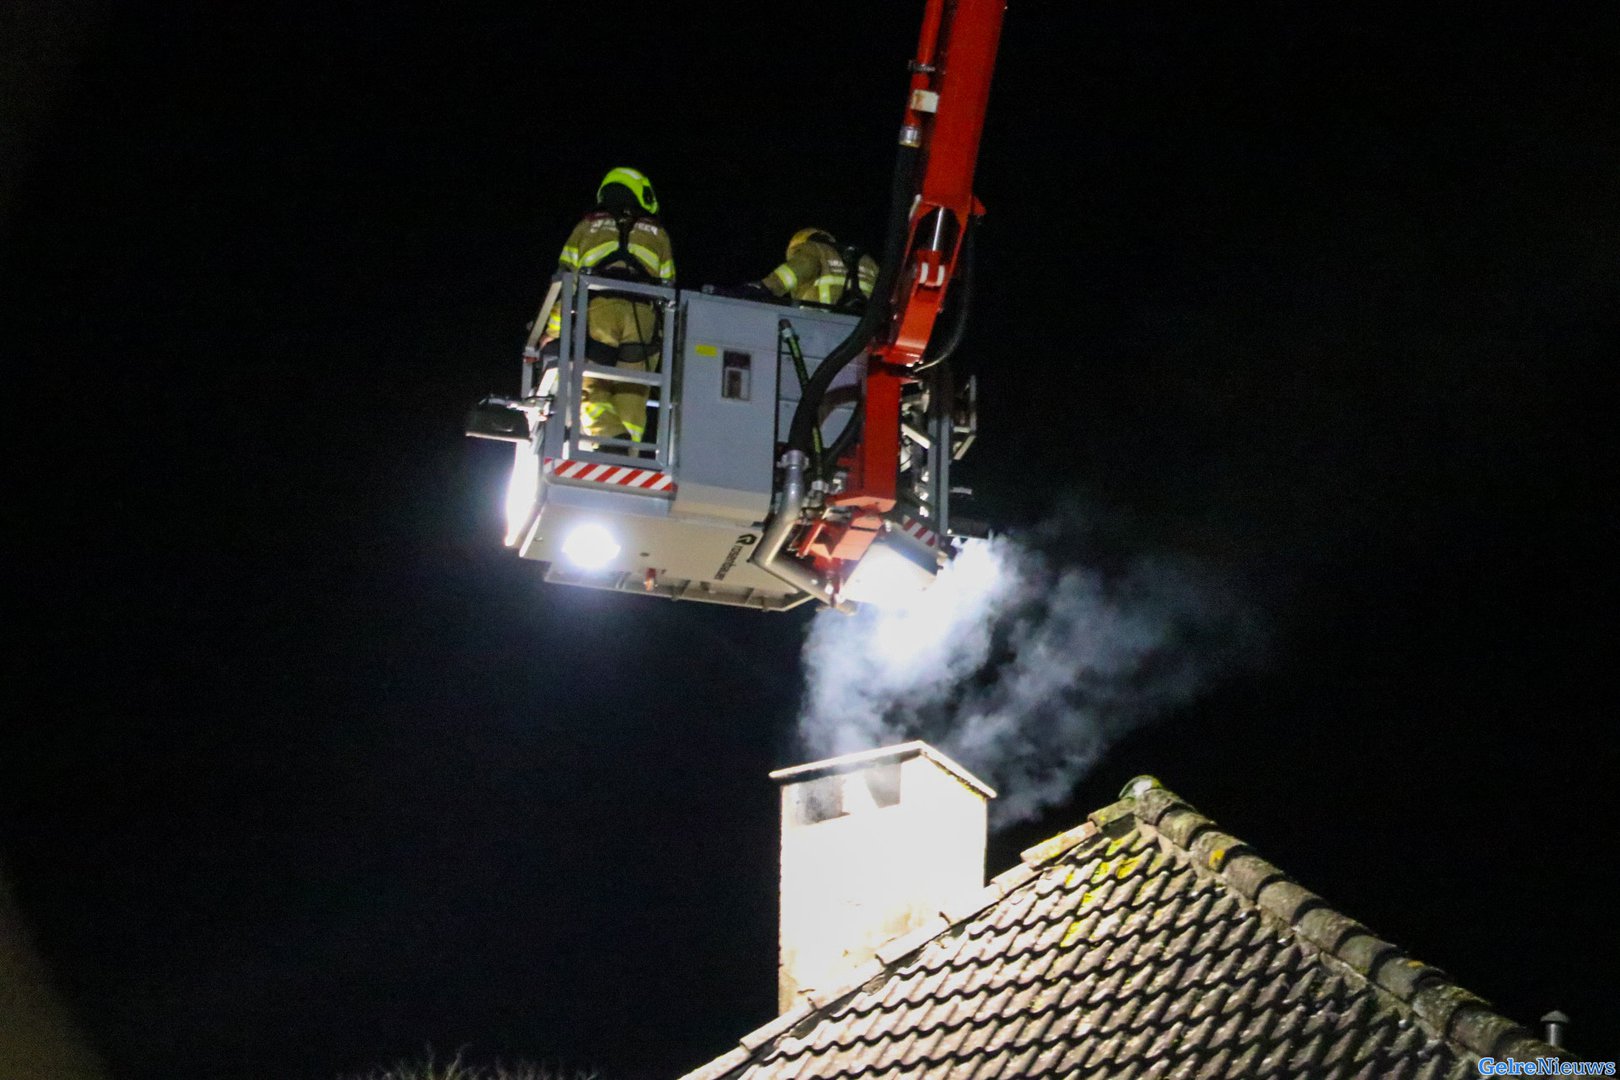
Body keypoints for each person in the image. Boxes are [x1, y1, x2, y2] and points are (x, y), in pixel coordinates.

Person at [538, 166, 675, 444]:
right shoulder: (658, 234)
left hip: (600, 311)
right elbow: (669, 287)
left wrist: (553, 332)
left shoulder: (586, 226)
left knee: (587, 389)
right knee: (632, 398)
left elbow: (565, 284)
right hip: (644, 320)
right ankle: (627, 456)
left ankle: (608, 442)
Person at [758, 228, 877, 310]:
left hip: (820, 323)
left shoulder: (813, 248)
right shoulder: (866, 259)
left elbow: (797, 270)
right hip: (864, 329)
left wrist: (764, 287)